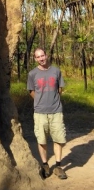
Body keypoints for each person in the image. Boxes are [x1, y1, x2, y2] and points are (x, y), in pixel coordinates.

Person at [27, 48, 68, 179]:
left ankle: (58, 166)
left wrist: (52, 100)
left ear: (46, 55)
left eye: (42, 55)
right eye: (38, 57)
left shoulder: (56, 71)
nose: (41, 59)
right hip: (40, 112)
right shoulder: (32, 74)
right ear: (35, 59)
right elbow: (31, 91)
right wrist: (40, 101)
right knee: (42, 140)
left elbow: (60, 89)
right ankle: (45, 165)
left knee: (58, 139)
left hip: (56, 111)